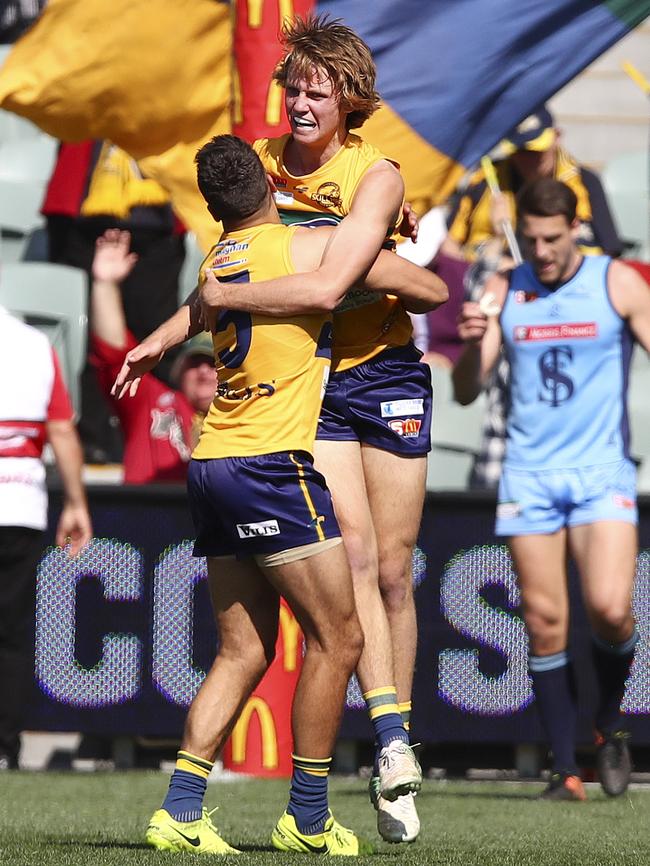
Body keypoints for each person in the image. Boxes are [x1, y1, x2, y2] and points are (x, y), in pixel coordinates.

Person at [114, 135, 446, 854]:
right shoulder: (314, 247)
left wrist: (158, 341)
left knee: (244, 649)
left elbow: (202, 308)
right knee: (342, 635)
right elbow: (432, 291)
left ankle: (180, 807)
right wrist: (369, 253)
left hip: (211, 463)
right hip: (270, 466)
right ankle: (307, 816)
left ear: (211, 206)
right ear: (269, 180)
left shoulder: (217, 261)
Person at [198, 17, 429, 842]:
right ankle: (393, 743)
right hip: (319, 381)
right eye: (291, 86)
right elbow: (239, 270)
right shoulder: (256, 172)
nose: (299, 101)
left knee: (397, 571)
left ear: (350, 100)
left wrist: (368, 267)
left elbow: (359, 282)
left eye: (317, 90)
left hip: (390, 370)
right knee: (358, 552)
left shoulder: (377, 173)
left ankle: (396, 742)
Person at [453, 177, 650, 800]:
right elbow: (464, 389)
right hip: (530, 474)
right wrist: (470, 343)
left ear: (575, 229)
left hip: (601, 472)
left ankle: (609, 722)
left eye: (552, 238)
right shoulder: (503, 288)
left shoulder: (616, 281)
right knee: (543, 621)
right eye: (532, 238)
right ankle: (564, 770)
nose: (540, 251)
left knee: (611, 610)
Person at [41, 139, 187, 462]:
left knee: (159, 336)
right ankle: (93, 439)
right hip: (81, 213)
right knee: (84, 336)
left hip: (159, 217)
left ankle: (164, 443)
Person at [0, 303, 92, 770]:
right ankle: (3, 745)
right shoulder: (33, 344)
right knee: (12, 634)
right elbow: (60, 428)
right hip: (18, 504)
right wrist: (76, 503)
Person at [90, 228, 215, 484]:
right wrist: (105, 284)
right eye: (195, 363)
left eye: (213, 364)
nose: (203, 372)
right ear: (179, 370)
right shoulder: (154, 401)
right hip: (147, 517)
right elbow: (116, 355)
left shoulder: (248, 415)